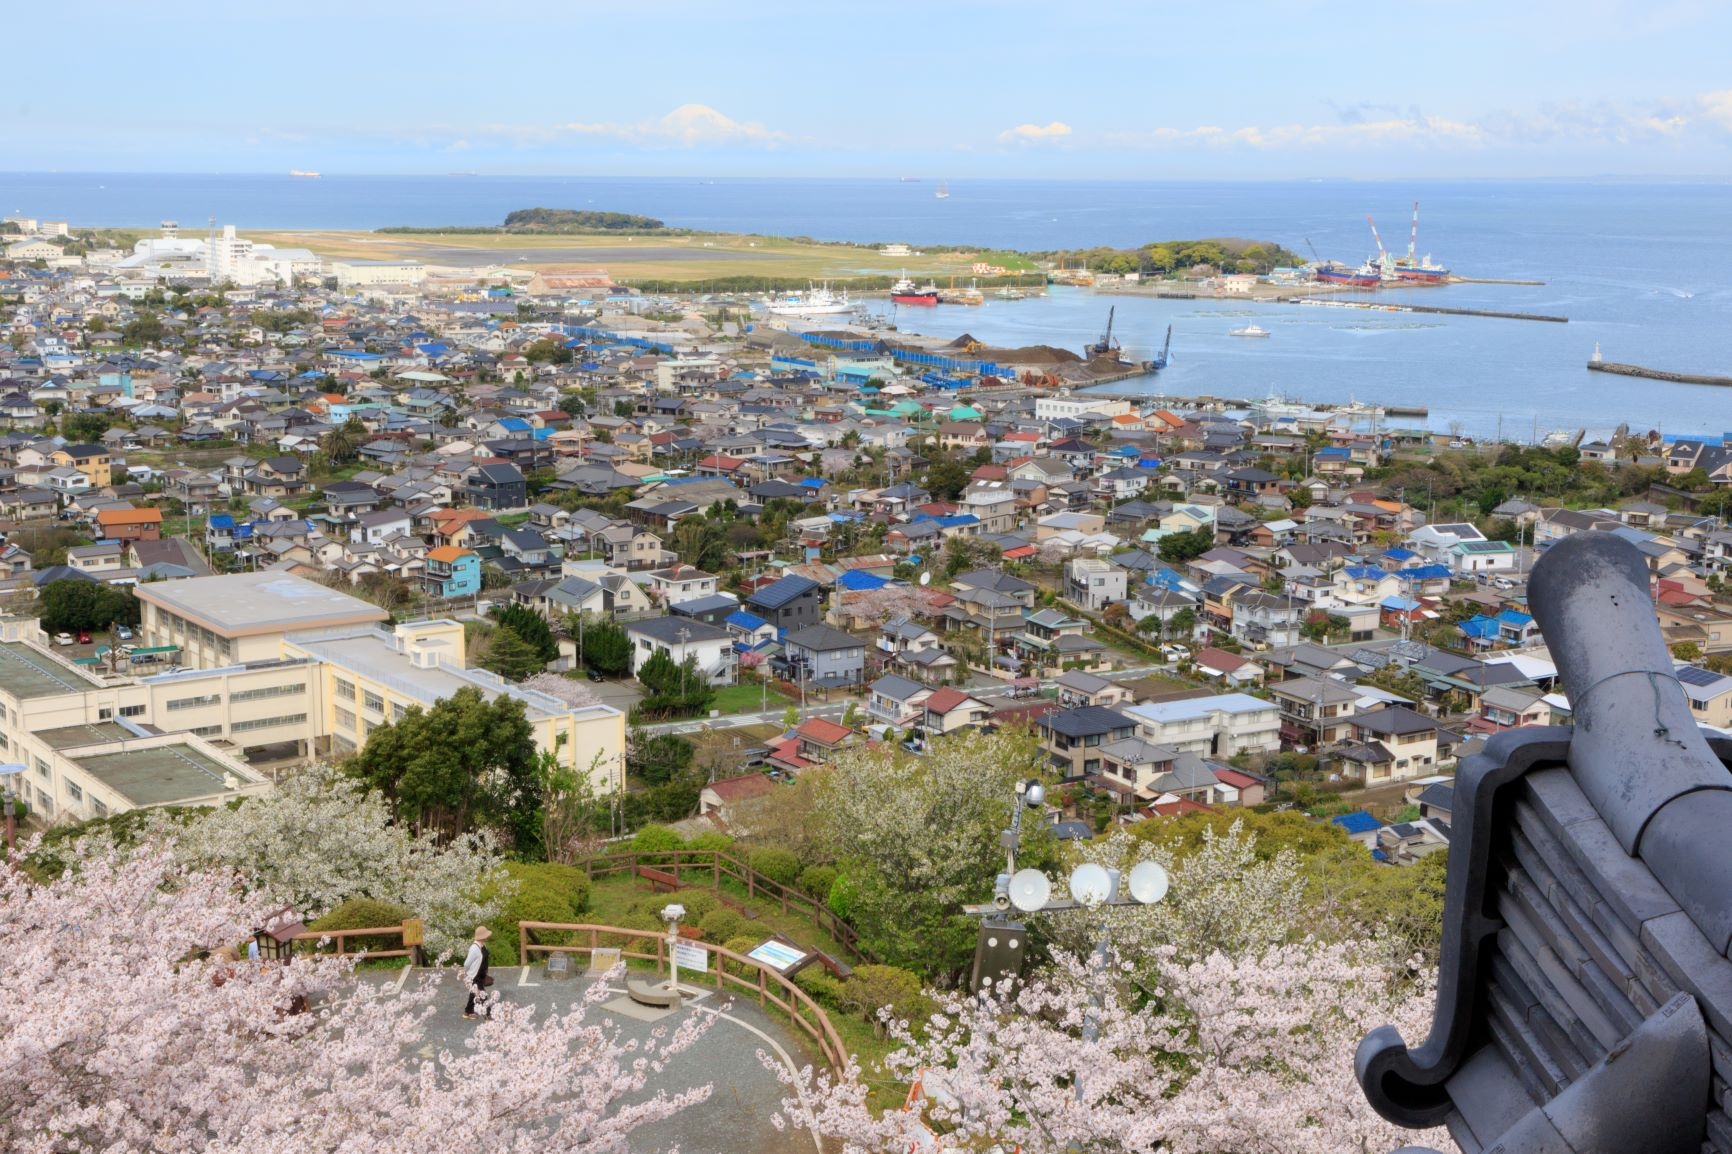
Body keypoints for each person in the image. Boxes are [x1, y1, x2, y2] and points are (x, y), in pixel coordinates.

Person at [463, 926, 492, 1019]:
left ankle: (468, 1012)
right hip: (475, 976)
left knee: (473, 993)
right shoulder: (474, 948)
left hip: (481, 974)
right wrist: (468, 973)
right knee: (482, 994)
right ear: (482, 936)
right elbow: (466, 964)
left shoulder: (483, 945)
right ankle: (488, 1014)